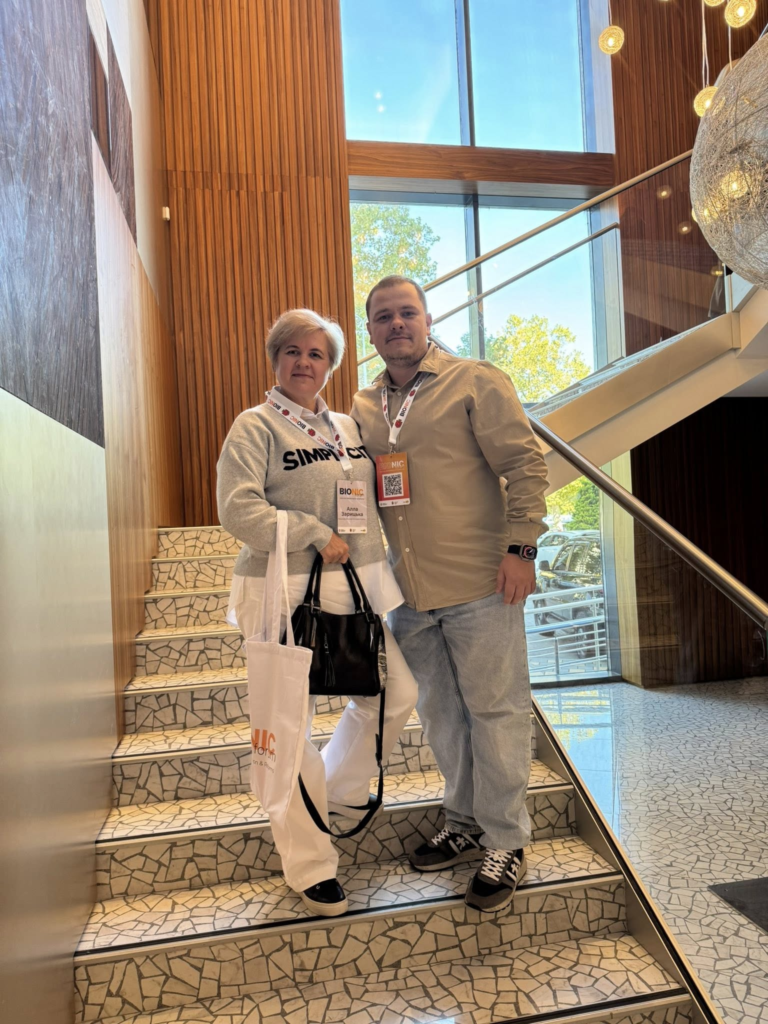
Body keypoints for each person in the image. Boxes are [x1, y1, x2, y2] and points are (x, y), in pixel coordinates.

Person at [351, 275, 549, 914]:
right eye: (383, 316)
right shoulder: (363, 406)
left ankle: (506, 841)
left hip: (482, 585)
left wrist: (522, 549)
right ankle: (463, 822)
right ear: (370, 330)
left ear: (427, 319)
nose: (397, 324)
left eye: (407, 312)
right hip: (409, 596)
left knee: (496, 713)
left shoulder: (474, 381)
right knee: (442, 716)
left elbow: (525, 465)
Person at [217, 308, 417, 917]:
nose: (305, 363)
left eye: (317, 354)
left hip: (350, 587)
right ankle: (309, 866)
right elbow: (237, 509)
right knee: (287, 727)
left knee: (396, 694)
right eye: (293, 352)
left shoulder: (346, 426)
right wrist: (309, 529)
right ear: (276, 359)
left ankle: (330, 793)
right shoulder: (254, 426)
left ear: (330, 366)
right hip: (280, 589)